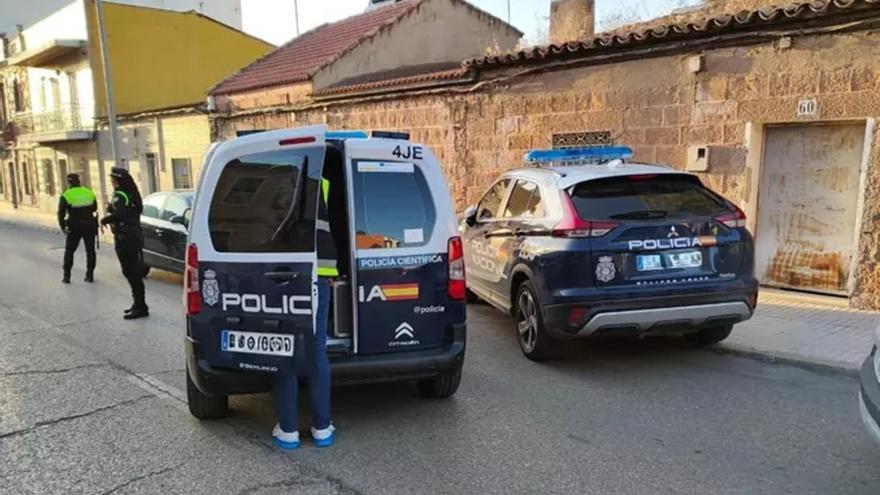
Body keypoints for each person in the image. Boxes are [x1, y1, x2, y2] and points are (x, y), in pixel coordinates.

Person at [271, 174, 337, 450]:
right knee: (317, 347)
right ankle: (322, 428)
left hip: (284, 273)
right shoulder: (322, 182)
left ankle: (288, 430)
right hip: (320, 272)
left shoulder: (274, 181)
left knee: (285, 347)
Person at [100, 167, 149, 320]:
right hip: (133, 237)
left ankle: (140, 306)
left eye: (112, 180)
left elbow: (119, 214)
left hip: (125, 238)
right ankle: (138, 303)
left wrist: (105, 219)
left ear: (117, 181)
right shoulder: (130, 194)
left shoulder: (120, 196)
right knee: (132, 271)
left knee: (130, 272)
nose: (111, 182)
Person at [57, 173, 98, 284]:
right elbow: (95, 208)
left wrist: (62, 226)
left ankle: (67, 276)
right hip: (89, 225)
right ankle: (90, 275)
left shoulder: (66, 195)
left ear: (69, 182)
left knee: (69, 251)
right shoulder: (88, 192)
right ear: (79, 181)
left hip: (74, 226)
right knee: (90, 251)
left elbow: (61, 213)